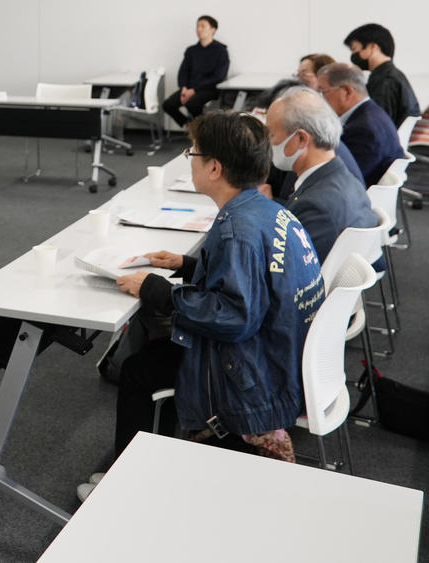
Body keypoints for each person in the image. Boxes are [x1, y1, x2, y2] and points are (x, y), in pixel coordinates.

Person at [85, 112, 322, 496]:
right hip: (277, 359)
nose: (189, 159)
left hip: (249, 378)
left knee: (138, 370)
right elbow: (253, 283)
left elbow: (234, 316)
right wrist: (186, 264)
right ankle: (154, 461)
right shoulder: (267, 211)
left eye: (192, 153)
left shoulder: (236, 230)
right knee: (154, 350)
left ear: (214, 168)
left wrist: (155, 288)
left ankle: (127, 487)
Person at [265, 88, 375, 263]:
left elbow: (288, 269)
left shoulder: (316, 206)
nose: (267, 142)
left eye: (271, 134)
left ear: (301, 139)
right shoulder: (341, 176)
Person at [316, 61, 404, 187]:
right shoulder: (372, 112)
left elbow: (345, 179)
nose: (320, 99)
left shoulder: (364, 130)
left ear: (347, 91)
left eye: (322, 92)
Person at [344, 23, 421, 128]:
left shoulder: (385, 81)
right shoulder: (393, 75)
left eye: (354, 49)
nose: (353, 55)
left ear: (373, 47)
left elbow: (376, 124)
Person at [161, 15, 230, 126]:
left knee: (192, 104)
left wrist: (194, 90)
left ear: (213, 30)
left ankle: (201, 129)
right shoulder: (191, 50)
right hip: (189, 88)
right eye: (197, 26)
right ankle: (190, 126)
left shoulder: (221, 51)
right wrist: (184, 88)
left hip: (209, 89)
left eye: (203, 26)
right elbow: (183, 71)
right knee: (168, 105)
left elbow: (219, 76)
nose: (199, 29)